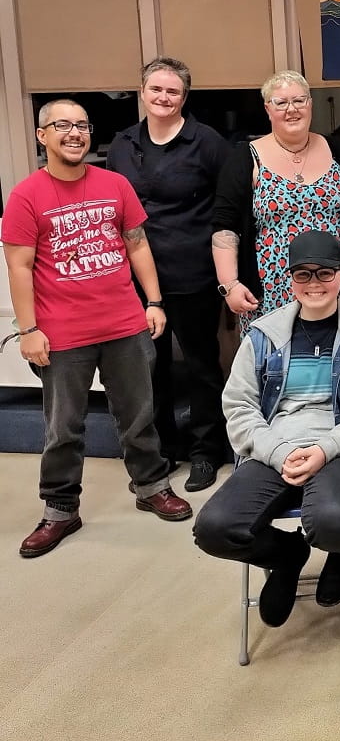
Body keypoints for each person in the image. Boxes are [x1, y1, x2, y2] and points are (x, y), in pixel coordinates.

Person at [3, 100, 192, 559]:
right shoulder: (26, 196)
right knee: (62, 427)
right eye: (62, 125)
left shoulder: (114, 184)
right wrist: (28, 329)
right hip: (62, 333)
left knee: (138, 414)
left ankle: (151, 486)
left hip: (124, 323)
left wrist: (153, 301)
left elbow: (137, 245)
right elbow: (20, 266)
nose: (74, 133)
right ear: (41, 135)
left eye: (82, 126)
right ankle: (60, 509)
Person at [193, 230, 340, 628]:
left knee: (334, 522)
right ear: (290, 280)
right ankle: (286, 556)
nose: (314, 284)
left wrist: (325, 449)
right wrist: (278, 451)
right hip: (278, 446)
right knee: (214, 529)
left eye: (325, 274)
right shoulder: (263, 336)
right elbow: (238, 408)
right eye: (303, 275)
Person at [106, 56, 231, 491]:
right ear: (142, 92)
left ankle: (206, 451)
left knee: (200, 366)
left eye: (172, 91)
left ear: (185, 97)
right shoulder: (122, 144)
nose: (163, 97)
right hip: (133, 279)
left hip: (193, 271)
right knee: (146, 368)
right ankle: (161, 449)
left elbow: (227, 206)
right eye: (156, 89)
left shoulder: (207, 142)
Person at [211, 70, 340, 336]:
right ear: (268, 109)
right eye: (281, 103)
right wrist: (230, 284)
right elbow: (224, 227)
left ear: (310, 105)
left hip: (339, 284)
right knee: (276, 367)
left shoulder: (339, 151)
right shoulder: (245, 159)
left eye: (299, 101)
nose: (291, 109)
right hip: (273, 290)